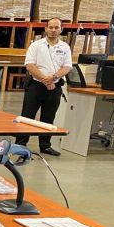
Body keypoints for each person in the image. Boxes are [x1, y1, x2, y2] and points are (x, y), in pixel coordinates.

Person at [15, 18, 72, 156]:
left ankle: (45, 146)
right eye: (50, 27)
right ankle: (20, 144)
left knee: (49, 117)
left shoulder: (65, 47)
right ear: (46, 29)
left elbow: (67, 67)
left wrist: (53, 78)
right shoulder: (36, 45)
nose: (53, 30)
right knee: (27, 116)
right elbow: (30, 65)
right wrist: (45, 80)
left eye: (56, 27)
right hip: (36, 86)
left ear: (61, 29)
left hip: (55, 87)